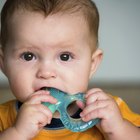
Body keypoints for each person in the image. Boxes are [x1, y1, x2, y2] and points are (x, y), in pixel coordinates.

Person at [0, 0, 140, 140]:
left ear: (92, 64)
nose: (46, 72)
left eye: (65, 57)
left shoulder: (109, 110)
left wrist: (118, 129)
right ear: (3, 62)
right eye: (28, 56)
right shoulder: (3, 118)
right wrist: (17, 133)